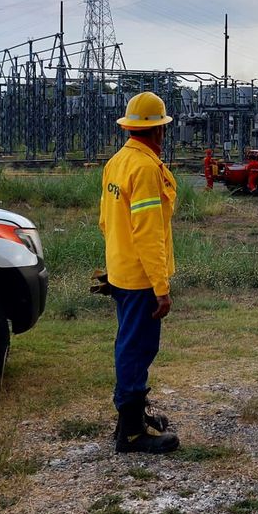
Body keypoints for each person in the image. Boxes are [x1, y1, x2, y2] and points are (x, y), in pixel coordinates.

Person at [99, 91, 180, 455]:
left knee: (129, 344)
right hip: (140, 278)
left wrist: (117, 263)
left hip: (122, 272)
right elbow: (148, 233)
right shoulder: (145, 169)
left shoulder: (117, 162)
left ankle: (130, 417)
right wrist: (160, 287)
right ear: (159, 131)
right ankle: (131, 432)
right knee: (137, 348)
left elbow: (106, 222)